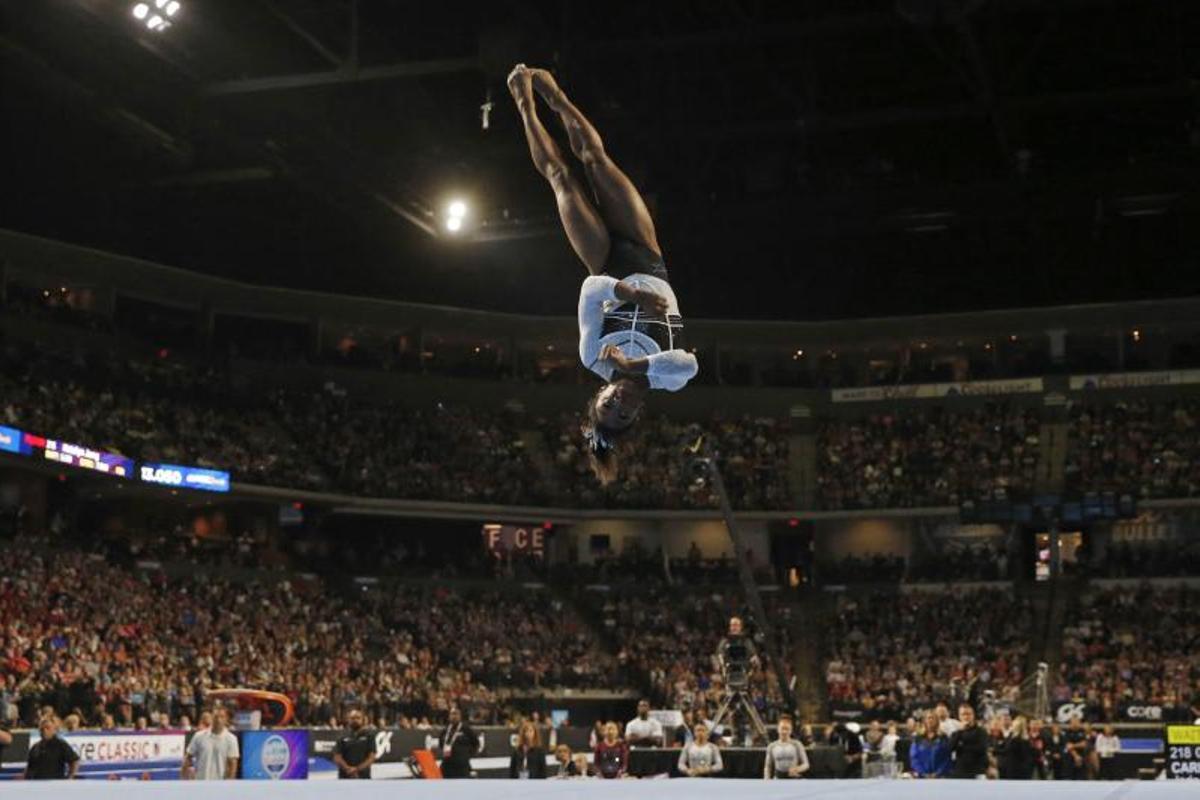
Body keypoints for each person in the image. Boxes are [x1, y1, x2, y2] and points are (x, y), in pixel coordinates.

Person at [507, 64, 698, 485]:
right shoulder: (668, 377)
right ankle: (545, 100)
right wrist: (639, 362)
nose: (620, 403)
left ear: (599, 395)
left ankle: (531, 102)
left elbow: (590, 291)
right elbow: (688, 363)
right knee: (597, 160)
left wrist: (627, 293)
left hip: (605, 262)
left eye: (608, 406)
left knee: (563, 177)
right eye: (624, 412)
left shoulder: (592, 356)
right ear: (637, 412)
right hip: (646, 254)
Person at [182, 707, 238, 780]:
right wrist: (184, 777)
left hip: (221, 785)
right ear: (211, 718)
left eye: (222, 717)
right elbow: (188, 757)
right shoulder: (198, 736)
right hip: (200, 782)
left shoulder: (231, 739)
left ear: (226, 720)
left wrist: (229, 783)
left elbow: (233, 764)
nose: (218, 720)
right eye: (216, 717)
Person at [333, 708, 377, 780]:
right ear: (348, 720)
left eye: (358, 718)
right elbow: (337, 757)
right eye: (352, 718)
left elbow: (371, 757)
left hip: (363, 776)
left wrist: (357, 769)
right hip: (345, 776)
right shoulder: (342, 736)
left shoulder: (370, 736)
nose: (355, 720)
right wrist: (348, 769)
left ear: (362, 720)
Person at [948, 704, 989, 779]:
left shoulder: (981, 732)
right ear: (959, 716)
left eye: (968, 714)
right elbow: (950, 748)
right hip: (960, 771)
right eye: (963, 714)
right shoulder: (956, 733)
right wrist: (960, 731)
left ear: (973, 715)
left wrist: (962, 746)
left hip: (977, 771)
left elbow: (982, 748)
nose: (966, 717)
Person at [437, 707, 478, 779]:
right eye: (452, 714)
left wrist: (466, 755)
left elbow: (475, 743)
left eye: (456, 714)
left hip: (462, 767)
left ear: (460, 716)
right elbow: (441, 743)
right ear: (449, 716)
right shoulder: (446, 729)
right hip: (447, 765)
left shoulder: (466, 729)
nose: (454, 716)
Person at [764, 715, 809, 779]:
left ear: (791, 730)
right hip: (778, 778)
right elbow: (768, 767)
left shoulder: (797, 744)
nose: (784, 732)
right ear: (778, 729)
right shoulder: (772, 746)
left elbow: (806, 764)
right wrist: (766, 781)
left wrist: (797, 769)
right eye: (782, 728)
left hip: (793, 779)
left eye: (787, 729)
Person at [910, 711, 950, 778]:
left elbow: (947, 758)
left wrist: (937, 773)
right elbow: (914, 758)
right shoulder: (918, 737)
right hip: (921, 777)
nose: (930, 720)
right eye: (928, 718)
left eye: (933, 718)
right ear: (924, 720)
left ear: (937, 721)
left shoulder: (943, 737)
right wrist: (923, 773)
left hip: (940, 777)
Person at [1062, 716, 1088, 780]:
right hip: (1070, 756)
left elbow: (1084, 744)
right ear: (1070, 723)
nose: (1075, 724)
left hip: (1082, 756)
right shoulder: (1066, 732)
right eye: (1073, 722)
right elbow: (1068, 746)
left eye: (1076, 722)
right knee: (1070, 777)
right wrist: (1076, 756)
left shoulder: (1082, 731)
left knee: (1081, 777)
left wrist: (1073, 745)